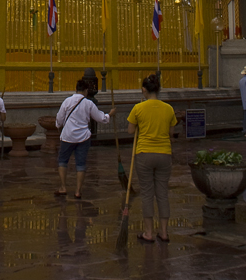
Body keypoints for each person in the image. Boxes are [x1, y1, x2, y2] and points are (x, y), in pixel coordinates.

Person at [127, 73, 177, 243]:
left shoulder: (138, 108)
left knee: (147, 194)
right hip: (164, 153)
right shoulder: (168, 109)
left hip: (144, 154)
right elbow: (171, 133)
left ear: (143, 90)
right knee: (162, 193)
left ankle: (148, 232)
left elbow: (131, 131)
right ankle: (164, 232)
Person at [55, 77, 115, 199]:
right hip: (83, 137)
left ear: (76, 89)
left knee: (62, 161)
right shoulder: (88, 104)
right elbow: (100, 118)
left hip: (68, 136)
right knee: (80, 164)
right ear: (86, 90)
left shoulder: (67, 101)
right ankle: (78, 191)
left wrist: (58, 125)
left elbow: (59, 118)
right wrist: (110, 115)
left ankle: (63, 186)